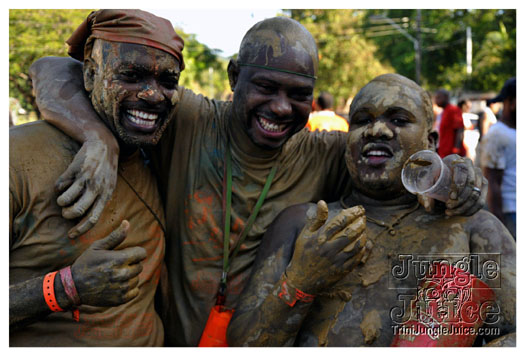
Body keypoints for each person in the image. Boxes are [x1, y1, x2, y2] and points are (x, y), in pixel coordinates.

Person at [30, 16, 487, 346]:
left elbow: (391, 151)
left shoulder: (326, 152)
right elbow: (51, 68)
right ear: (233, 77)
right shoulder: (189, 119)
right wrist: (97, 139)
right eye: (265, 87)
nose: (281, 108)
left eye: (298, 95)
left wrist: (454, 169)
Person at [228, 74, 515, 346]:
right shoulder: (303, 224)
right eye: (362, 120)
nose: (376, 130)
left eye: (399, 119)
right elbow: (242, 342)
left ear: (431, 142)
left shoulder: (472, 229)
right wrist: (300, 283)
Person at [10, 9, 185, 346]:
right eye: (131, 76)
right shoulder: (17, 159)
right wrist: (64, 288)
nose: (153, 95)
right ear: (89, 76)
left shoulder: (159, 150)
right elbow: (48, 66)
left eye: (168, 81)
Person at [479, 77, 516, 239]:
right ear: (511, 102)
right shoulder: (496, 134)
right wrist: (499, 225)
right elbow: (492, 181)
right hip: (511, 211)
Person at [434, 89, 466, 158]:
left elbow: (460, 129)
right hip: (443, 151)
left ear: (446, 97)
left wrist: (456, 148)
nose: (436, 100)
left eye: (438, 97)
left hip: (451, 153)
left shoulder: (453, 110)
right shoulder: (443, 112)